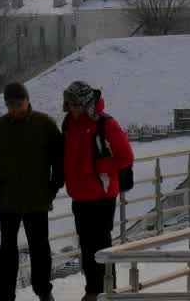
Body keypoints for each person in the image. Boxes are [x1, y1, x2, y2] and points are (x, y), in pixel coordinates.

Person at [0, 81, 64, 301]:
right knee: (7, 252)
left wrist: (53, 187)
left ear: (27, 101)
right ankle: (6, 295)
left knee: (40, 250)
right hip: (7, 201)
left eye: (18, 103)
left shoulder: (44, 125)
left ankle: (43, 290)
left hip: (37, 200)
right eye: (10, 104)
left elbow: (60, 158)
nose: (14, 108)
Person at [61, 80, 133, 301]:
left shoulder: (106, 124)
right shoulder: (68, 123)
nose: (72, 108)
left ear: (86, 103)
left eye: (76, 104)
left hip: (102, 196)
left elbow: (126, 156)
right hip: (80, 195)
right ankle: (92, 290)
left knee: (100, 244)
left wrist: (97, 167)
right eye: (69, 104)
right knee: (86, 244)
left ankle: (105, 290)